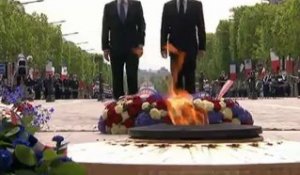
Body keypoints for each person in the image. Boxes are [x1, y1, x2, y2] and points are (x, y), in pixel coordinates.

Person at [102, 0, 146, 100]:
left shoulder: (136, 5)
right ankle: (118, 107)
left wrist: (140, 44)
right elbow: (105, 27)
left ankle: (133, 105)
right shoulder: (109, 7)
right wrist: (105, 47)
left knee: (132, 76)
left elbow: (141, 25)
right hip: (115, 47)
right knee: (117, 78)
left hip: (133, 48)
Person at [161, 0, 206, 94]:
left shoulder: (196, 5)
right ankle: (178, 106)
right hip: (174, 49)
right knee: (177, 81)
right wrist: (163, 46)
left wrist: (202, 47)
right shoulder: (168, 6)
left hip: (190, 48)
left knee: (190, 79)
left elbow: (201, 26)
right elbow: (164, 28)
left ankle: (190, 105)